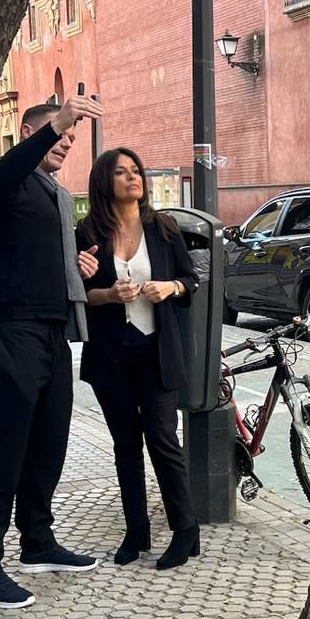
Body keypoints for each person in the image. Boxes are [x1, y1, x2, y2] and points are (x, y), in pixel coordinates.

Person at [0, 96, 104, 609]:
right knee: (5, 450)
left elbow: (46, 259)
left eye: (69, 135)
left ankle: (38, 543)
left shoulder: (54, 195)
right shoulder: (0, 182)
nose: (66, 140)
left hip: (50, 332)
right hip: (9, 332)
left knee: (48, 445)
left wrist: (77, 269)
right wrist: (56, 123)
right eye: (57, 132)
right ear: (27, 131)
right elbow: (9, 167)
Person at [78, 148, 202, 570]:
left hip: (157, 351)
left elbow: (191, 280)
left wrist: (171, 288)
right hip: (111, 353)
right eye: (121, 172)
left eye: (136, 171)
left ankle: (185, 530)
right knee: (125, 445)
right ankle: (137, 531)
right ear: (104, 182)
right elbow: (81, 295)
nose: (132, 178)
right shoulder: (89, 231)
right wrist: (110, 295)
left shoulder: (163, 228)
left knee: (164, 442)